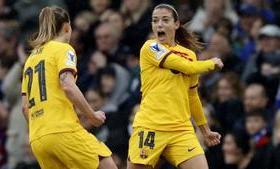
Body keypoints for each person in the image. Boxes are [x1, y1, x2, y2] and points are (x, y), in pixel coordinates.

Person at [127, 4, 223, 169]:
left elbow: (192, 96)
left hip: (181, 129)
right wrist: (211, 63)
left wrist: (205, 131)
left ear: (176, 24)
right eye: (155, 20)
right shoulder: (150, 47)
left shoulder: (189, 55)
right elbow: (186, 67)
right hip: (150, 126)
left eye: (165, 20)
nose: (159, 24)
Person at [21, 6, 117, 169]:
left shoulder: (30, 59)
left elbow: (25, 108)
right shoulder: (63, 49)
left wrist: (44, 130)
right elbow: (68, 86)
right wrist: (92, 115)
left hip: (38, 139)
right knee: (107, 165)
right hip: (62, 130)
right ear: (67, 26)